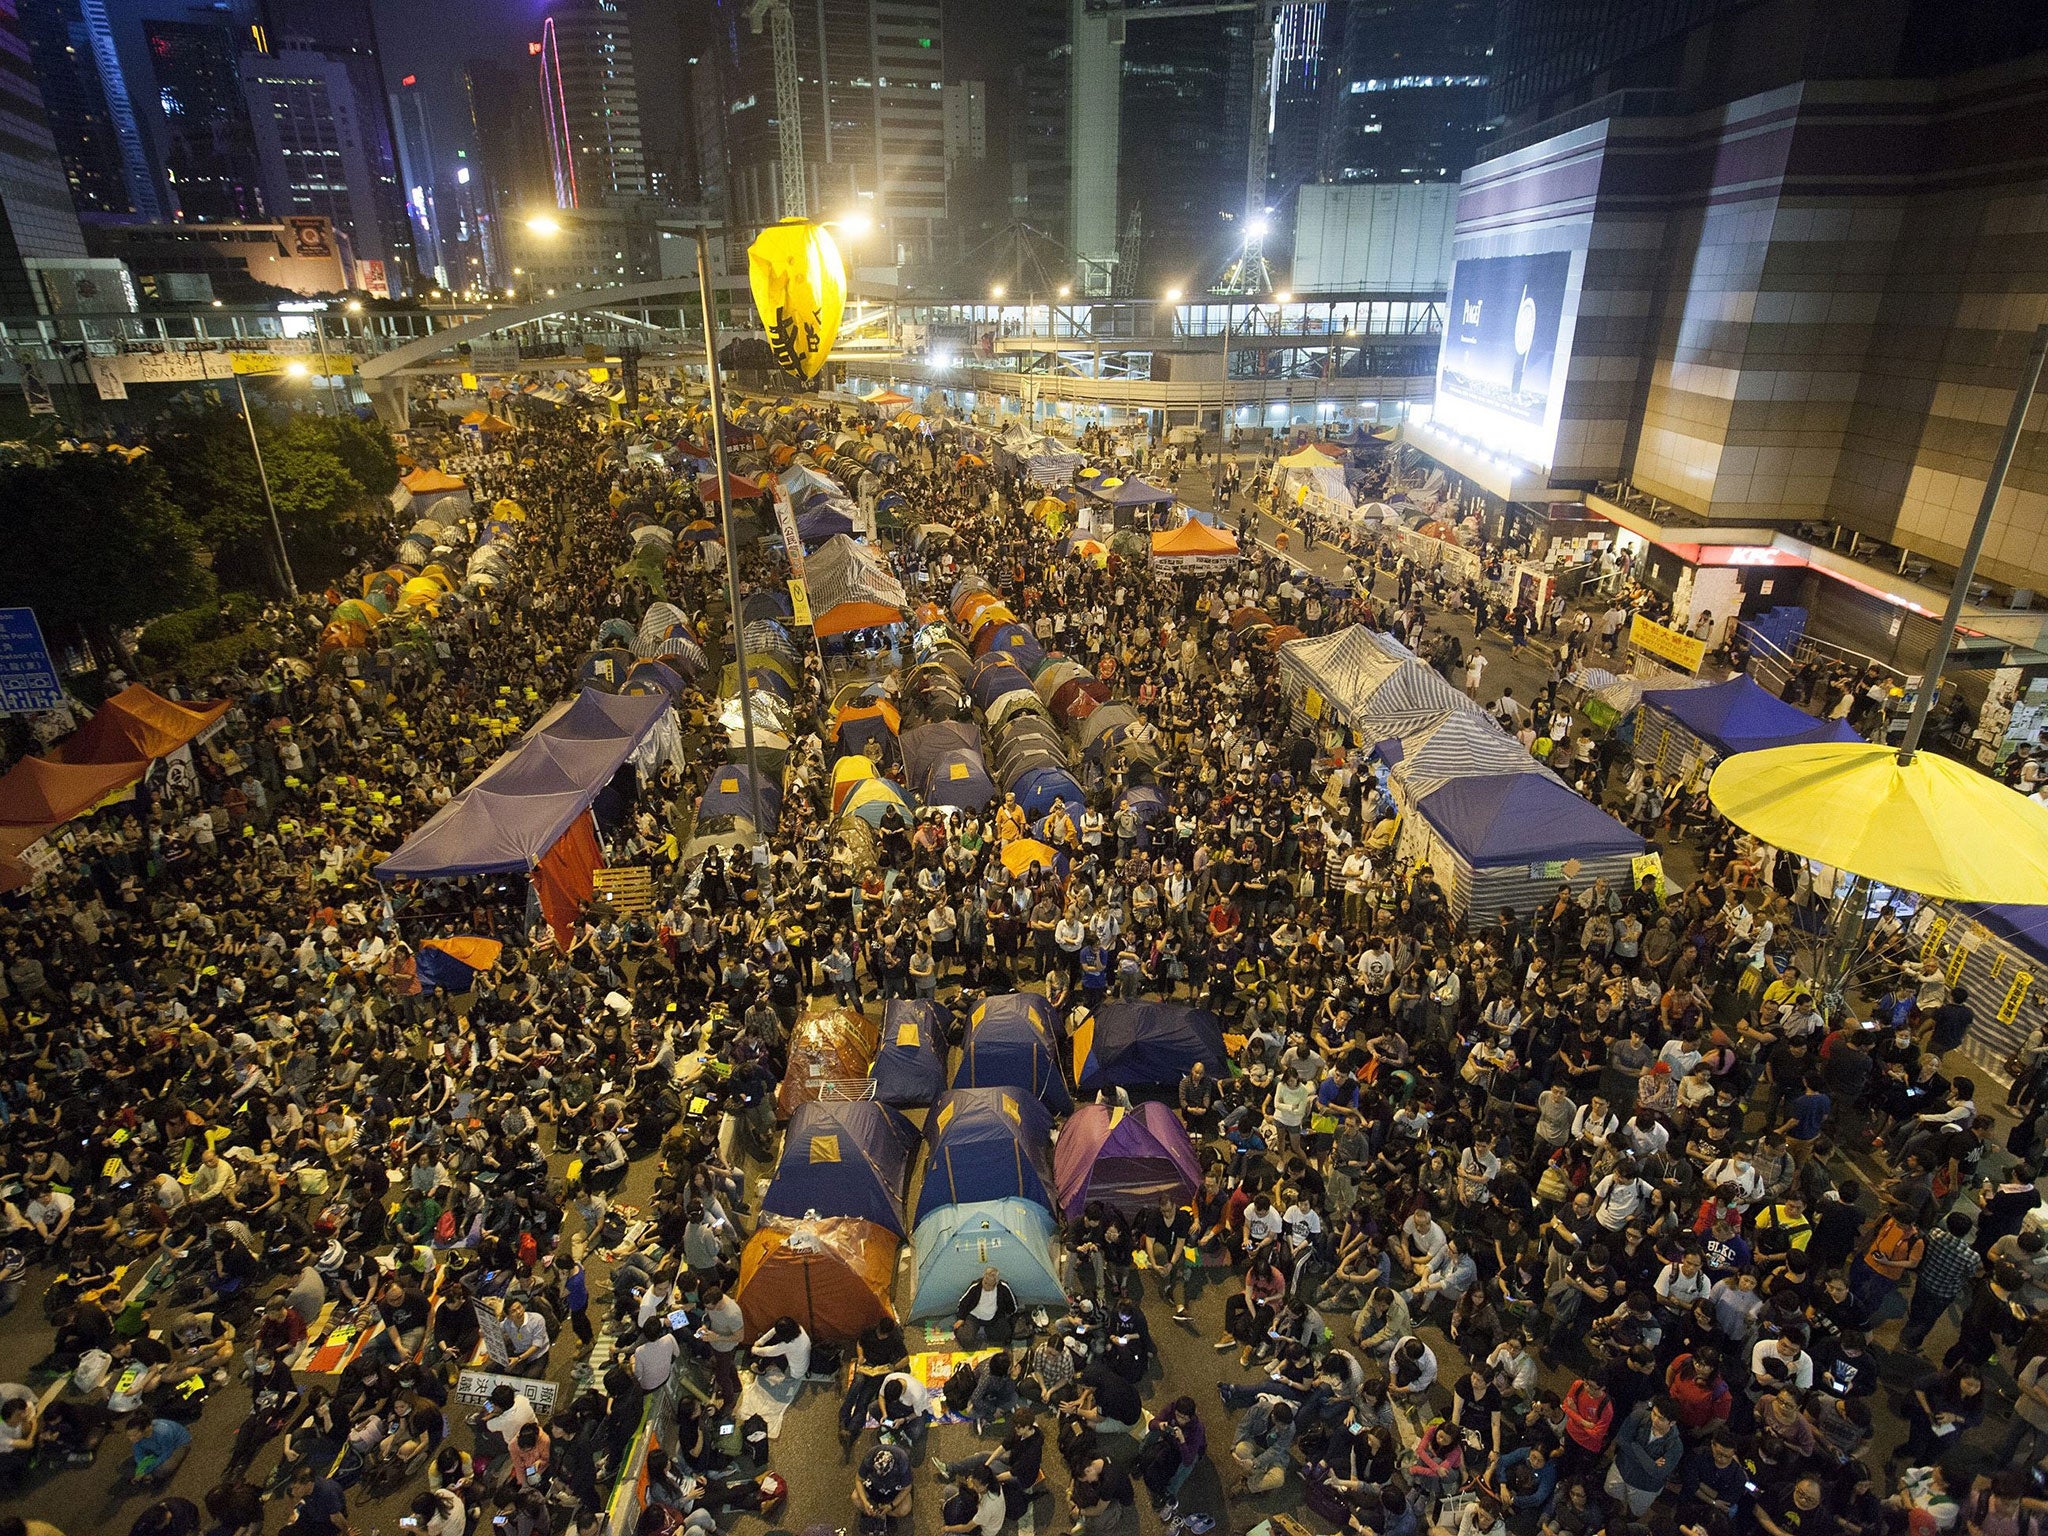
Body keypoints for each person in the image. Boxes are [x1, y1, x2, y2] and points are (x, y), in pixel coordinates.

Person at [956, 1266, 1018, 1348]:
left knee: (1006, 1334)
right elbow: (963, 1302)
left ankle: (988, 1332)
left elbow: (1012, 1306)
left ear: (996, 1283)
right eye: (985, 1282)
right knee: (966, 1340)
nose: (986, 1286)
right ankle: (976, 1332)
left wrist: (1007, 1316)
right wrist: (961, 1318)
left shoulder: (1003, 1287)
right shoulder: (975, 1286)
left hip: (994, 1318)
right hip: (975, 1316)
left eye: (990, 1285)